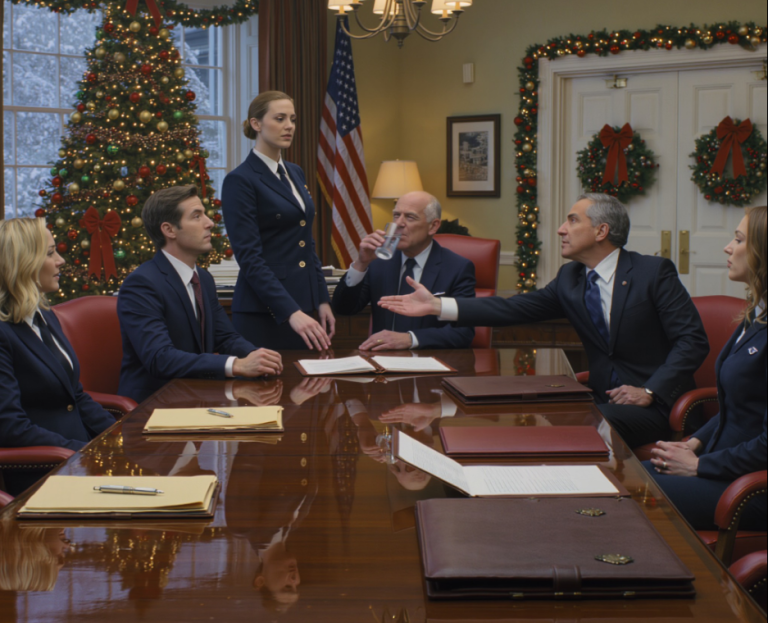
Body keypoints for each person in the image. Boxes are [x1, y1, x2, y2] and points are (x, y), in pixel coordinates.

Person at [379, 193, 709, 449]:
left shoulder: (653, 273)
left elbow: (692, 341)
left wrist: (649, 390)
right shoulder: (572, 278)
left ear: (601, 231)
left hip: (654, 406)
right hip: (599, 398)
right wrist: (437, 306)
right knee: (524, 408)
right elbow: (512, 309)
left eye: (572, 221)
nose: (561, 229)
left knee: (581, 426)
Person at [645, 206, 766, 531]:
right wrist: (693, 443)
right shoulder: (757, 315)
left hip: (751, 488)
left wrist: (699, 465)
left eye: (739, 240)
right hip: (723, 465)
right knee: (625, 473)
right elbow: (735, 408)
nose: (728, 247)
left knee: (632, 492)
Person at [117, 186, 282, 402]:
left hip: (197, 398)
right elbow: (160, 358)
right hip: (153, 408)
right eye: (197, 216)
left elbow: (225, 337)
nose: (210, 223)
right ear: (169, 230)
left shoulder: (203, 278)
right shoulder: (141, 284)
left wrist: (257, 358)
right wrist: (237, 365)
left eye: (205, 213)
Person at [0, 218, 116, 495]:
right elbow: (10, 427)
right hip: (44, 472)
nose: (61, 261)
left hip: (80, 460)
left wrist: (119, 437)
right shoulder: (3, 332)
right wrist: (84, 450)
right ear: (24, 262)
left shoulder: (44, 315)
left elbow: (74, 395)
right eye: (51, 253)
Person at [222, 91, 334, 351]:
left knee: (307, 387)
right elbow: (250, 259)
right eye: (280, 118)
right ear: (256, 124)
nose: (289, 126)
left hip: (304, 306)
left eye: (292, 119)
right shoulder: (240, 180)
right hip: (263, 312)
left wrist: (322, 299)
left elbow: (306, 243)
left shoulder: (295, 171)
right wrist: (290, 311)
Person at [332, 191, 475, 350]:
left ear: (433, 226)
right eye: (396, 215)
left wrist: (410, 339)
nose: (399, 223)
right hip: (382, 362)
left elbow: (463, 332)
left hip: (429, 362)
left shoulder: (457, 267)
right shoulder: (379, 262)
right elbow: (344, 308)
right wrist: (361, 263)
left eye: (410, 217)